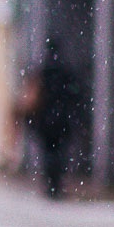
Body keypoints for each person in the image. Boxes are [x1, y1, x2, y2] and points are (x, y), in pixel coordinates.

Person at [36, 63, 82, 199]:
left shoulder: (44, 74)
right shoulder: (65, 74)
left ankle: (51, 184)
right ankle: (56, 184)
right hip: (61, 120)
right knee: (59, 153)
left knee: (49, 153)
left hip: (47, 120)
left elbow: (37, 96)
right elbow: (75, 93)